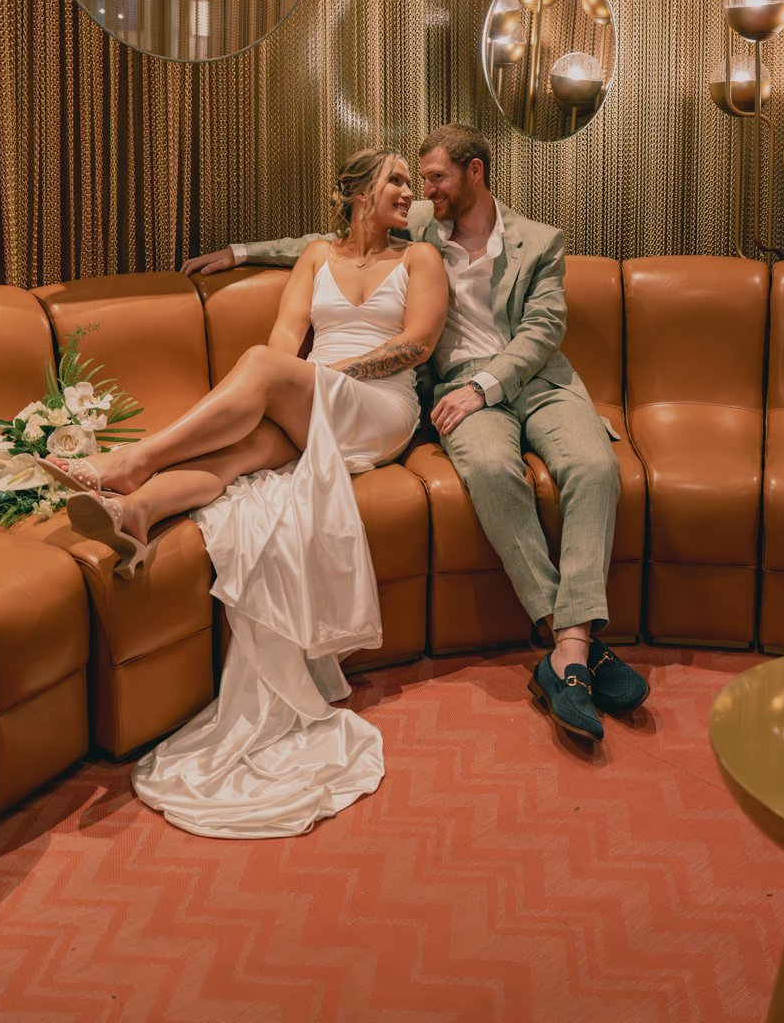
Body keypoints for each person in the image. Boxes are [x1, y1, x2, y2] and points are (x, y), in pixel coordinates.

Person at [185, 123, 649, 745]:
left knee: (594, 467)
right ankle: (572, 641)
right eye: (419, 180)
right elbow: (334, 241)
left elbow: (541, 332)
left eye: (436, 178)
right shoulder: (423, 228)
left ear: (474, 172)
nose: (424, 191)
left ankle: (569, 645)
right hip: (456, 388)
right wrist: (242, 253)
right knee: (491, 472)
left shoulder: (540, 241)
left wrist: (486, 386)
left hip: (536, 380)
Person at [46, 148, 448, 837]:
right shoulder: (316, 256)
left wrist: (312, 381)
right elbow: (286, 339)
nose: (410, 192)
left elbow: (416, 345)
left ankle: (132, 463)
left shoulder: (419, 259)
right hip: (311, 401)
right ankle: (137, 509)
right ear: (359, 192)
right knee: (245, 451)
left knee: (262, 374)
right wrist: (277, 395)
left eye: (412, 182)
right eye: (397, 180)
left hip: (379, 408)